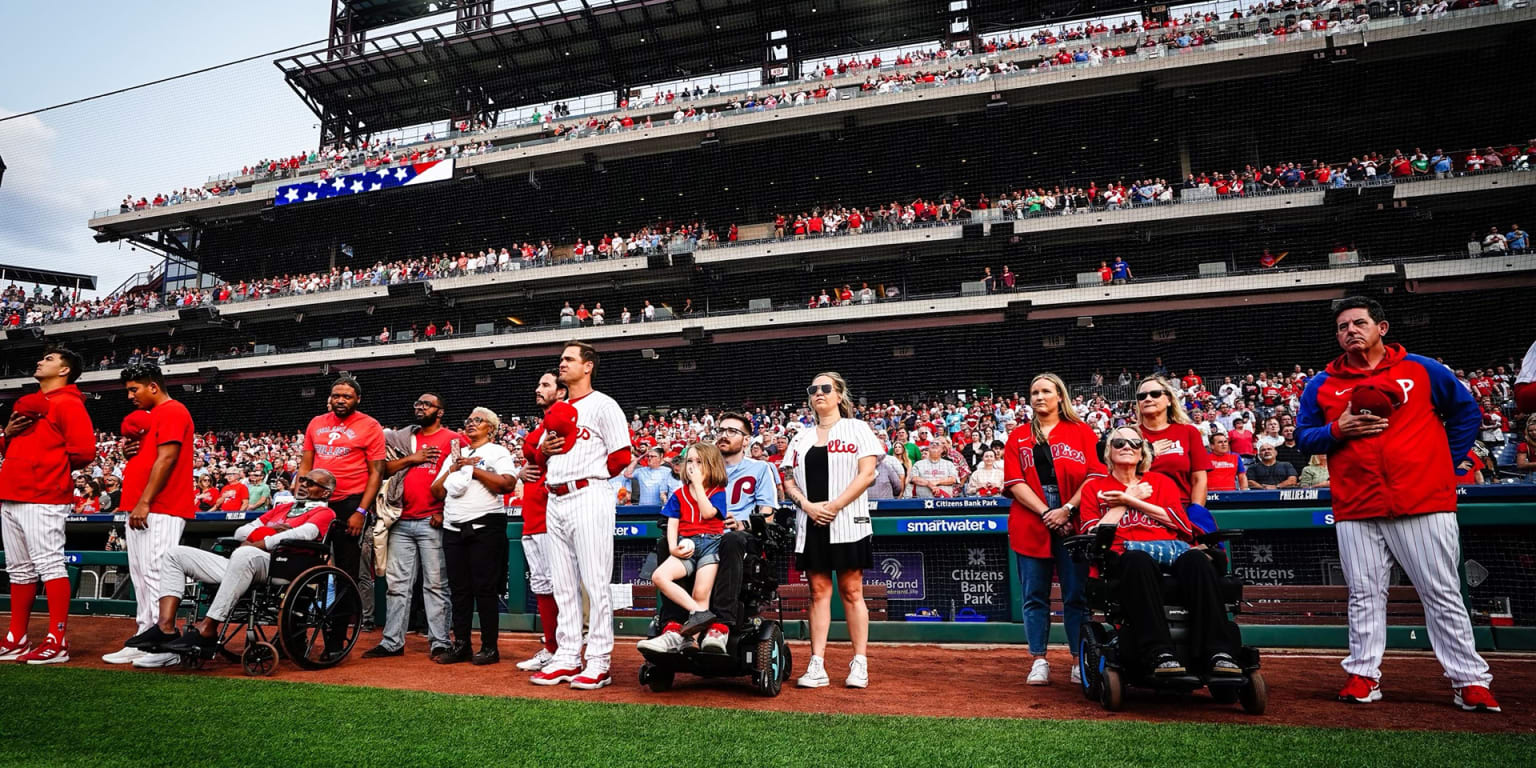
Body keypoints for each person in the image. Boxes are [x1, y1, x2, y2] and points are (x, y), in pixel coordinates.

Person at [1295, 296, 1498, 712]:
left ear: (1381, 328)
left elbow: (1466, 414)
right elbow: (1304, 438)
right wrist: (1338, 428)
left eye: (1359, 323)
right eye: (1342, 327)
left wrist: (1445, 463)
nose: (1350, 330)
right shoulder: (1322, 384)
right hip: (1356, 503)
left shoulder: (1422, 369)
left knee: (1441, 592)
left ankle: (1469, 680)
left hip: (1422, 500)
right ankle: (1363, 675)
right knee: (1364, 594)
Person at [1078, 426, 1242, 680]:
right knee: (1137, 560)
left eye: (1134, 443)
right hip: (1124, 555)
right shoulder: (1094, 488)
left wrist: (1133, 501)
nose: (1126, 447)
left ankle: (1218, 652)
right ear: (1109, 452)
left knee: (1198, 560)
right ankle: (1159, 652)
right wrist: (1126, 498)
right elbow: (1095, 534)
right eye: (1119, 442)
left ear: (1142, 452)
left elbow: (1179, 525)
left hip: (1170, 549)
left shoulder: (1160, 482)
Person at [147, 470, 340, 659]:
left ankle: (209, 627)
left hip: (281, 565)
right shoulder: (283, 508)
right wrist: (270, 530)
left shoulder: (325, 512)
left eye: (311, 483)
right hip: (245, 563)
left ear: (325, 492)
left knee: (244, 552)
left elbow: (301, 534)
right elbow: (241, 532)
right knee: (175, 554)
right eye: (303, 480)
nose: (303, 484)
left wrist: (260, 542)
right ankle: (165, 626)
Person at [530, 341, 632, 690]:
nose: (562, 364)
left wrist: (592, 474)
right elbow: (542, 457)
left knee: (594, 581)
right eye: (561, 359)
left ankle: (599, 660)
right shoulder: (556, 409)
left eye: (569, 359)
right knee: (562, 585)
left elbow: (620, 456)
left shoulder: (604, 405)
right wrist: (543, 450)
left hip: (589, 494)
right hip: (555, 497)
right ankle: (567, 655)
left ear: (587, 366)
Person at [641, 413, 779, 653]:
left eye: (732, 431)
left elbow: (768, 516)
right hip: (695, 534)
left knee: (732, 539)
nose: (724, 435)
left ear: (746, 440)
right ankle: (673, 626)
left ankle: (721, 624)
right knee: (665, 542)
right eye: (721, 430)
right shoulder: (700, 465)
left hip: (734, 535)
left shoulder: (760, 469)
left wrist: (742, 524)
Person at [1003, 373, 1105, 686]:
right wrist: (1048, 512)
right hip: (1032, 515)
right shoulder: (1018, 435)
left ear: (1060, 396)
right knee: (1034, 595)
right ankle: (1039, 659)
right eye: (1034, 392)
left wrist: (1067, 510)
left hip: (1073, 514)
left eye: (1046, 391)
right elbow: (1014, 482)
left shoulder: (1081, 431)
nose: (1039, 397)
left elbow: (1094, 476)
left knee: (1076, 594)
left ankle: (1078, 659)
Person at [781, 372, 881, 689]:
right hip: (811, 523)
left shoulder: (857, 428)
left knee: (852, 591)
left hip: (848, 520)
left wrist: (834, 505)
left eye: (826, 388)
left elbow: (867, 474)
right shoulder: (800, 437)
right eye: (814, 389)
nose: (819, 393)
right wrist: (808, 505)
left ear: (840, 395)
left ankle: (860, 662)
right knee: (818, 592)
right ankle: (817, 663)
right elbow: (788, 480)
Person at [0, 347, 96, 664]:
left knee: (51, 565)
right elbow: (15, 446)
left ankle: (58, 639)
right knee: (18, 569)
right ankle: (17, 637)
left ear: (65, 370)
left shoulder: (68, 402)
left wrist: (47, 467)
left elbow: (84, 452)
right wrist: (6, 435)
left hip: (43, 494)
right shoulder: (33, 404)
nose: (41, 361)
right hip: (12, 492)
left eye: (50, 359)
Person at [106, 364, 195, 669]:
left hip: (162, 505)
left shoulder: (172, 410)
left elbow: (168, 457)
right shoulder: (151, 417)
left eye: (135, 389)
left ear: (153, 386)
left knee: (158, 573)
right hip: (141, 505)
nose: (130, 395)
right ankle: (145, 636)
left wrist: (145, 501)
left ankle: (166, 642)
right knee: (141, 576)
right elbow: (151, 457)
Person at [361, 392, 458, 660]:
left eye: (427, 404)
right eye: (417, 403)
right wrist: (411, 458)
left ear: (440, 412)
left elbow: (462, 475)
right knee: (397, 586)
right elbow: (383, 469)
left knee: (436, 585)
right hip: (400, 520)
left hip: (432, 520)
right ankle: (392, 642)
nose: (420, 407)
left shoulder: (453, 439)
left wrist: (443, 510)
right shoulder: (402, 438)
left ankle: (440, 641)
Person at [431, 407, 516, 665]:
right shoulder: (455, 455)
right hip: (453, 527)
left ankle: (490, 647)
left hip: (485, 527)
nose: (470, 424)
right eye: (468, 420)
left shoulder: (497, 452)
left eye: (477, 420)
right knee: (459, 590)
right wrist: (453, 468)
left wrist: (474, 470)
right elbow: (436, 491)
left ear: (490, 427)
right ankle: (462, 645)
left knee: (485, 589)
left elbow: (508, 483)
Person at [298, 376, 386, 604]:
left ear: (358, 399)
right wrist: (300, 493)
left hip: (349, 502)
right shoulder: (316, 422)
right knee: (303, 563)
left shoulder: (370, 426)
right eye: (336, 395)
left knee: (347, 571)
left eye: (347, 396)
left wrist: (361, 511)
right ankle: (295, 627)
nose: (340, 400)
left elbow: (376, 473)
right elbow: (306, 463)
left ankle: (337, 634)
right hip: (316, 502)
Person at [638, 443, 728, 652]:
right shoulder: (679, 494)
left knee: (701, 592)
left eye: (699, 462)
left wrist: (698, 485)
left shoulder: (718, 491)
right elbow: (672, 521)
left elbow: (707, 513)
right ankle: (699, 614)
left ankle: (692, 639)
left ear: (711, 464)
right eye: (690, 461)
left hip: (710, 544)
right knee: (659, 576)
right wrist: (672, 548)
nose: (692, 467)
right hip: (685, 544)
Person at [514, 371, 565, 672]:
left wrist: (537, 458)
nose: (538, 388)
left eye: (545, 384)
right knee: (543, 585)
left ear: (560, 392)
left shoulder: (563, 418)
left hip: (550, 514)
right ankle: (551, 646)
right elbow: (534, 459)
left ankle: (563, 648)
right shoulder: (543, 423)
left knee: (558, 585)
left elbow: (553, 458)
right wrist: (525, 468)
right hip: (532, 516)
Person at [1135, 375, 1213, 533]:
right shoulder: (1128, 435)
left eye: (1155, 394)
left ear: (1169, 400)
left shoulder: (1188, 431)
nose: (1148, 399)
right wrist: (1149, 453)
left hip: (1182, 510)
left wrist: (1195, 512)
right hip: (1141, 511)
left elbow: (1199, 478)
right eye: (1142, 396)